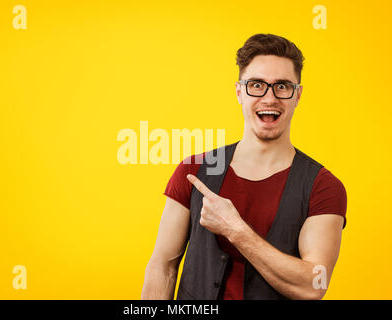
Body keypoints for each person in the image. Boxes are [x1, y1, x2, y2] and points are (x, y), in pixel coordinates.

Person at [141, 33, 347, 300]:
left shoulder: (323, 186)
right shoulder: (194, 170)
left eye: (282, 86)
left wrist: (235, 230)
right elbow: (163, 267)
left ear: (297, 95)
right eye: (257, 85)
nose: (270, 98)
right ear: (239, 92)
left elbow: (313, 286)